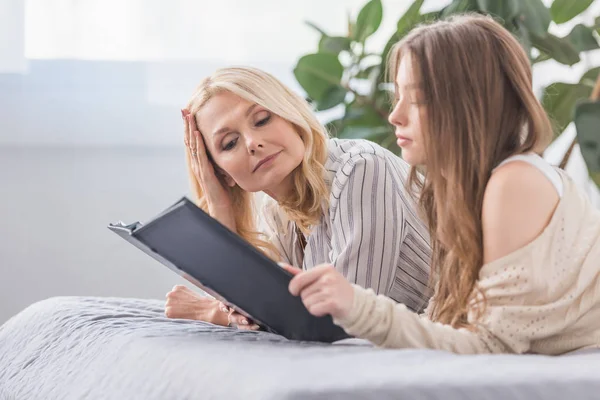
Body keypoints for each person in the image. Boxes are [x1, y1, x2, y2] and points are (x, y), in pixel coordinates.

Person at [286, 14, 600, 355]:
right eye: (398, 96)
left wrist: (356, 306)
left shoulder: (515, 183)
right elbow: (448, 325)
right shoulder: (458, 192)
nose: (395, 115)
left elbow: (491, 347)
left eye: (417, 99)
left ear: (470, 103)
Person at [165, 66, 432, 329]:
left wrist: (214, 313)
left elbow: (340, 322)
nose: (251, 143)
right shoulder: (276, 212)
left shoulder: (362, 169)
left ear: (290, 116)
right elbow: (258, 308)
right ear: (222, 174)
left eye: (261, 120)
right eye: (230, 143)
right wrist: (220, 205)